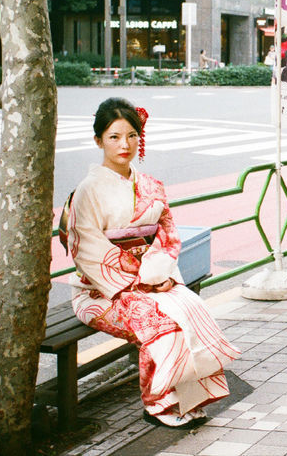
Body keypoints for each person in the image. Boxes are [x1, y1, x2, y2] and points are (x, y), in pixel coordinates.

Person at [66, 98, 239, 428]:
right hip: (101, 292)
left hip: (151, 279)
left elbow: (167, 233)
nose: (124, 145)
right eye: (114, 136)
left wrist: (159, 274)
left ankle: (190, 398)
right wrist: (140, 278)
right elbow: (87, 251)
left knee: (191, 309)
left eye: (131, 135)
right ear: (98, 140)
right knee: (160, 324)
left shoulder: (150, 186)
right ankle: (158, 404)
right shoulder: (87, 192)